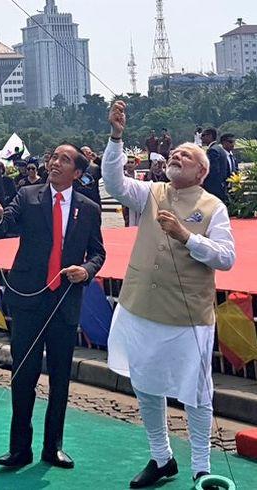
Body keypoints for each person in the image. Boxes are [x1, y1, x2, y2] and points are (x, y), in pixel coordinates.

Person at [105, 101, 236, 488]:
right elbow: (114, 183)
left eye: (188, 154)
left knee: (196, 393)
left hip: (187, 316)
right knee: (145, 383)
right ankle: (161, 457)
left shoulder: (215, 207)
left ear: (202, 170)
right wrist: (116, 137)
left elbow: (226, 258)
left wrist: (187, 237)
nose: (177, 155)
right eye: (175, 152)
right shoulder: (151, 192)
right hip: (141, 306)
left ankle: (201, 466)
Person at [0, 143, 105, 470]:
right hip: (28, 298)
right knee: (23, 374)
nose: (55, 163)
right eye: (54, 157)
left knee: (60, 377)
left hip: (65, 301)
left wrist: (87, 270)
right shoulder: (28, 195)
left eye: (64, 160)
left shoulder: (89, 208)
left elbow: (98, 253)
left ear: (78, 173)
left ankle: (53, 447)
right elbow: (6, 222)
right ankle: (18, 448)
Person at [200, 128, 229, 203]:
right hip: (221, 186)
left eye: (203, 135)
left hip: (213, 187)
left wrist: (203, 181)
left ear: (210, 136)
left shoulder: (212, 150)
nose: (201, 138)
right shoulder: (220, 149)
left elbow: (213, 170)